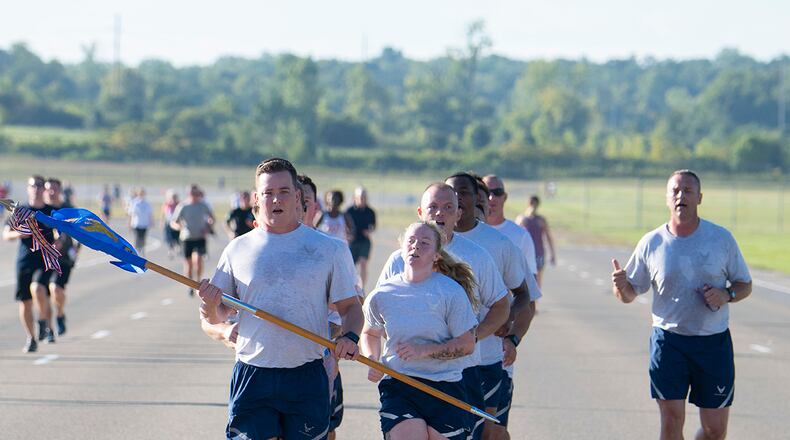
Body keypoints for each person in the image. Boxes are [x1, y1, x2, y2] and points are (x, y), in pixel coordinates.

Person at [197, 158, 363, 440]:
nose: (276, 199)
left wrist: (350, 336)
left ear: (298, 197)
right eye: (268, 193)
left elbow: (351, 309)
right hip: (253, 374)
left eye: (284, 191)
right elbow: (215, 316)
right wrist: (209, 303)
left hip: (306, 374)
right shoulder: (238, 249)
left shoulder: (329, 249)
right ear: (257, 199)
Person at [611, 170, 752, 440]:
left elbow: (745, 284)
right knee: (671, 422)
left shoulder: (721, 239)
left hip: (712, 344)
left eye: (688, 191)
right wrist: (620, 286)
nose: (681, 196)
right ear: (667, 198)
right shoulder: (652, 243)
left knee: (714, 430)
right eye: (675, 191)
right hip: (669, 342)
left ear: (699, 198)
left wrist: (727, 294)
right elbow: (629, 295)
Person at [377, 183, 511, 440]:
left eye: (448, 208)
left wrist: (473, 337)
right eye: (433, 207)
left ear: (458, 214)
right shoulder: (399, 259)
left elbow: (501, 304)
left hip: (461, 373)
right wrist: (398, 342)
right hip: (407, 374)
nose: (440, 214)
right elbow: (377, 313)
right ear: (420, 212)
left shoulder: (477, 257)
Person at [362, 221, 479, 440]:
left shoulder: (450, 292)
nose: (416, 246)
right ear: (402, 247)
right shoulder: (382, 294)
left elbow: (467, 343)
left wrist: (423, 351)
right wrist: (372, 358)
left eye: (425, 243)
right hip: (400, 383)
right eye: (411, 241)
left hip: (445, 386)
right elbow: (370, 333)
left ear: (436, 255)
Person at [445, 172, 539, 440]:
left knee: (487, 431)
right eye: (453, 192)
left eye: (465, 192)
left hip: (487, 356)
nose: (458, 198)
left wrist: (510, 329)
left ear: (477, 199)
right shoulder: (429, 241)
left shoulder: (500, 243)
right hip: (440, 357)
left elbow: (524, 296)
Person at [482, 174, 542, 440]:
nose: (491, 198)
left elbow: (527, 297)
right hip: (462, 354)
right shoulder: (457, 235)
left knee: (494, 430)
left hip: (498, 350)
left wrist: (514, 339)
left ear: (505, 197)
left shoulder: (518, 237)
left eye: (497, 192)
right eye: (486, 192)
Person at [2, 175, 54, 352]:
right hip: (25, 259)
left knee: (39, 288)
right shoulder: (20, 210)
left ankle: (42, 321)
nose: (37, 189)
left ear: (44, 189)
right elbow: (6, 234)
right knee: (25, 301)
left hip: (44, 259)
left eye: (40, 185)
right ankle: (31, 338)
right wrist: (20, 234)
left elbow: (62, 232)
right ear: (28, 188)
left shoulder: (50, 211)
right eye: (33, 185)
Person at [41, 177, 79, 338]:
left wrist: (76, 251)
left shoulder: (68, 209)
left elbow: (80, 233)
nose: (51, 192)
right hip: (43, 258)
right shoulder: (41, 210)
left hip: (64, 258)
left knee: (55, 288)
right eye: (48, 188)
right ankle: (49, 329)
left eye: (54, 189)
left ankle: (60, 314)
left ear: (60, 190)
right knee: (43, 293)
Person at [171, 184, 215, 296]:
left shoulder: (203, 205)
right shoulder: (183, 206)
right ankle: (190, 285)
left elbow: (212, 218)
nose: (195, 196)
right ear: (188, 194)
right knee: (189, 264)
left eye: (197, 193)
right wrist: (180, 227)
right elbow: (173, 222)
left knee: (198, 260)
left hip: (200, 237)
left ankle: (198, 280)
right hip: (186, 238)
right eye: (193, 193)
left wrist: (208, 227)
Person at [517, 195, 556, 287]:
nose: (533, 205)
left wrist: (552, 254)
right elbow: (516, 235)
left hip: (538, 252)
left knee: (538, 277)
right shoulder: (522, 219)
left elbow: (548, 236)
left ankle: (535, 299)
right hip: (525, 253)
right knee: (524, 277)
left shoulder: (541, 220)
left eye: (535, 203)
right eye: (531, 203)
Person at [346, 187, 376, 289]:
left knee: (363, 264)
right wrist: (348, 235)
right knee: (351, 267)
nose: (362, 199)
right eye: (360, 197)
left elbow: (373, 226)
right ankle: (351, 287)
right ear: (355, 197)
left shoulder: (370, 211)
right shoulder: (349, 211)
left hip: (364, 241)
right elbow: (344, 225)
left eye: (364, 197)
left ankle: (362, 288)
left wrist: (369, 231)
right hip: (352, 242)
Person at [128, 188, 153, 256]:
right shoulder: (135, 203)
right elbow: (131, 214)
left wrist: (151, 222)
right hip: (136, 224)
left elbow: (149, 214)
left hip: (144, 224)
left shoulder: (147, 203)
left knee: (143, 238)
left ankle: (142, 249)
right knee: (137, 238)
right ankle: (137, 251)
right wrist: (130, 224)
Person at [161, 190, 180, 258]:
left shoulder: (178, 204)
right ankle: (170, 250)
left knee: (177, 237)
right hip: (168, 223)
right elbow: (164, 214)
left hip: (176, 223)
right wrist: (162, 222)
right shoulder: (166, 204)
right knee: (169, 238)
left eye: (174, 197)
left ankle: (178, 247)